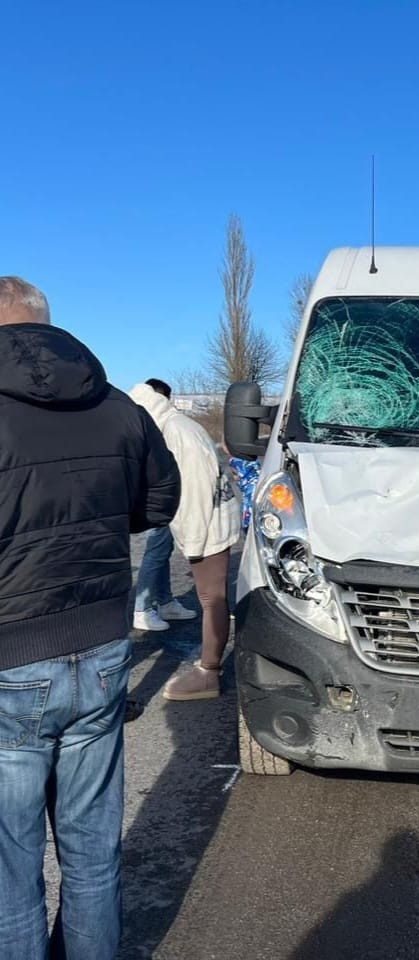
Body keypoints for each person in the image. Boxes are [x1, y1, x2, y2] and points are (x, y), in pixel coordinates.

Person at [0, 277, 181, 960]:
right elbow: (158, 501)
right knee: (91, 851)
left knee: (11, 872)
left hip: (12, 656)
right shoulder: (117, 407)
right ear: (45, 324)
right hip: (102, 646)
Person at [129, 381, 240, 700]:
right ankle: (209, 667)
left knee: (212, 599)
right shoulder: (176, 427)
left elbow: (195, 491)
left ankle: (209, 672)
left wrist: (191, 545)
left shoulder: (177, 433)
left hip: (208, 526)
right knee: (213, 599)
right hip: (213, 519)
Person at [132, 379, 198, 632]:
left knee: (162, 550)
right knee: (156, 549)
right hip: (158, 496)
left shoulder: (140, 413)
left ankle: (165, 601)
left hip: (157, 494)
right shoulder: (155, 420)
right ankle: (142, 609)